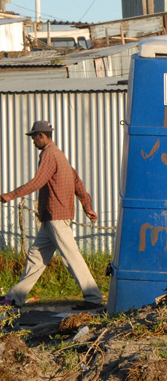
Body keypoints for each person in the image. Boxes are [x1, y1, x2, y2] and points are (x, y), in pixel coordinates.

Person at [0, 120, 104, 311]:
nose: (33, 142)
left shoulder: (48, 154)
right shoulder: (60, 155)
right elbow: (76, 180)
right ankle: (14, 298)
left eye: (34, 137)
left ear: (41, 136)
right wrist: (86, 205)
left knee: (70, 256)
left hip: (57, 216)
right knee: (36, 258)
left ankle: (93, 297)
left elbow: (37, 182)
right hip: (50, 218)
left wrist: (11, 195)